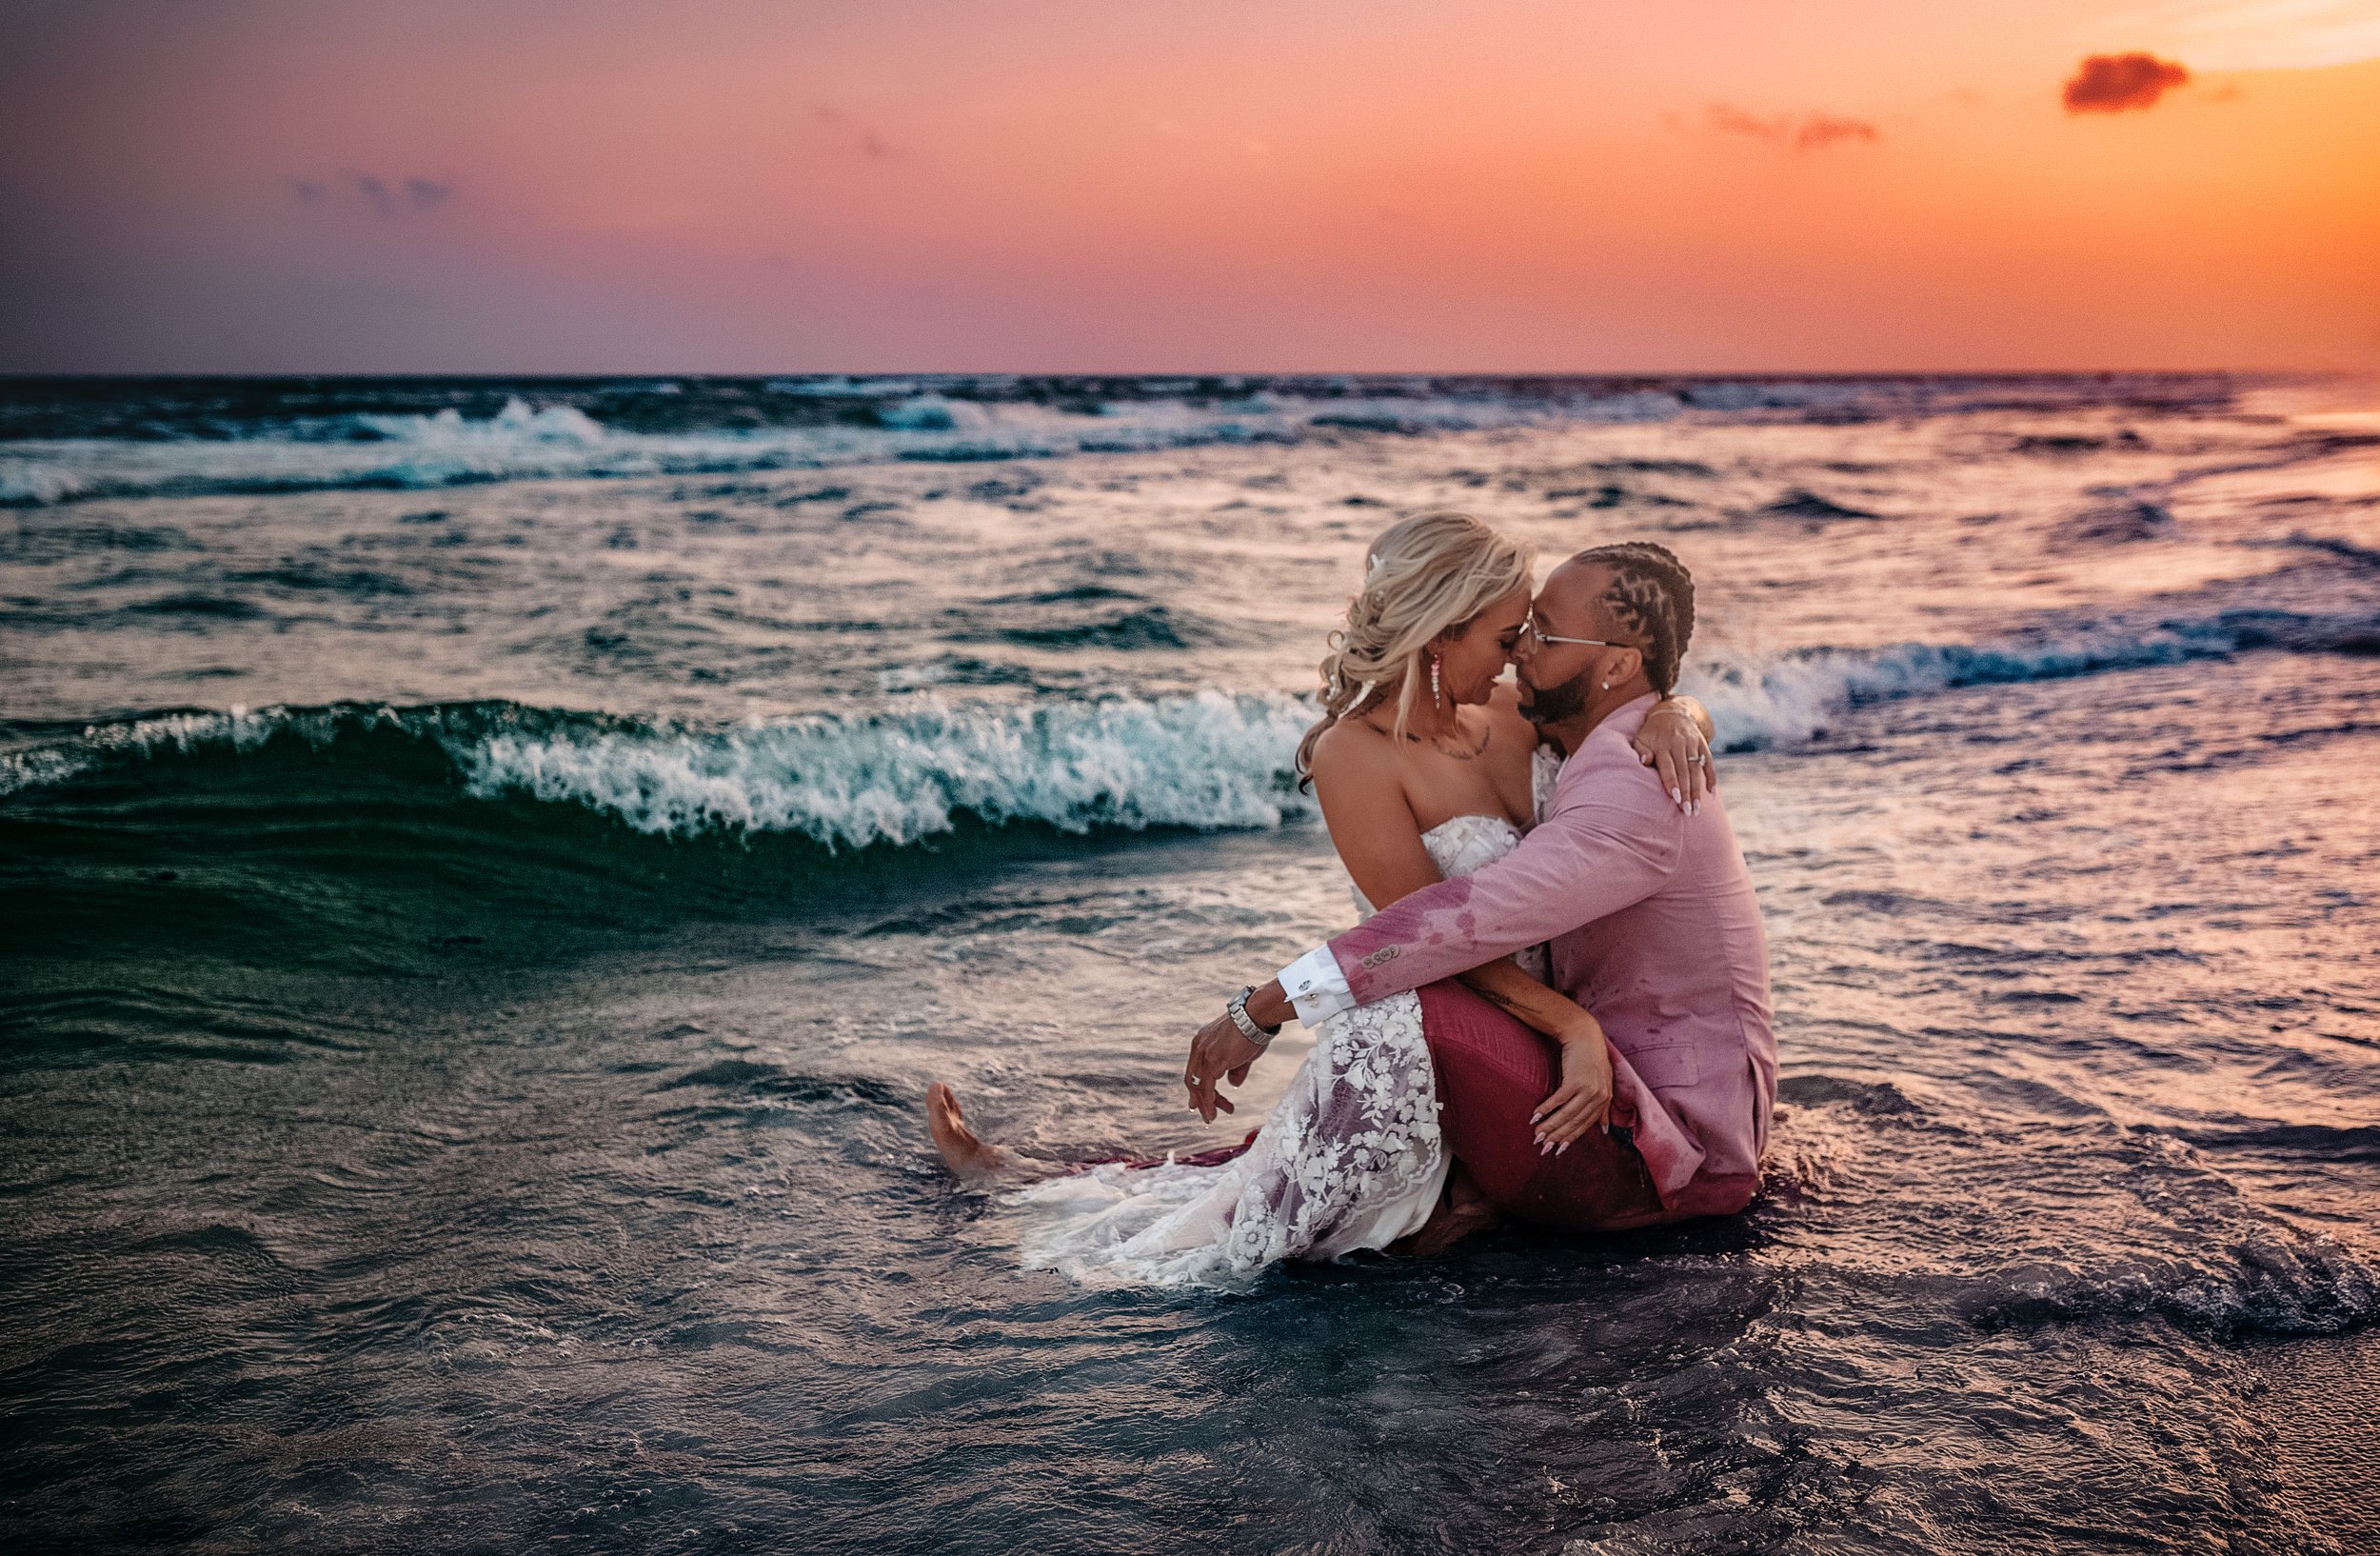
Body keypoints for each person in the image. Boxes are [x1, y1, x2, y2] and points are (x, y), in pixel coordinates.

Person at [926, 514, 1716, 1287]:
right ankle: (1025, 1180)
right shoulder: (1356, 757)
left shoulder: (1516, 714)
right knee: (1265, 1168)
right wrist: (1569, 1024)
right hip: (1481, 1010)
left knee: (1290, 1137)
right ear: (1441, 635)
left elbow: (1626, 697)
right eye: (1507, 637)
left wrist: (1679, 714)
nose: (1519, 658)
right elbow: (1437, 939)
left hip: (1541, 1038)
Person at [1181, 541, 1775, 1252]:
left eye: (1540, 634)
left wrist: (1263, 1007)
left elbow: (1458, 925)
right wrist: (1675, 709)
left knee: (1394, 1005)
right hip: (1566, 1059)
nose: (1521, 650)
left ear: (1616, 666)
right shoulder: (1551, 719)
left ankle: (1272, 1249)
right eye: (1514, 633)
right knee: (1393, 1001)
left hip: (1673, 1140)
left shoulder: (1629, 781)